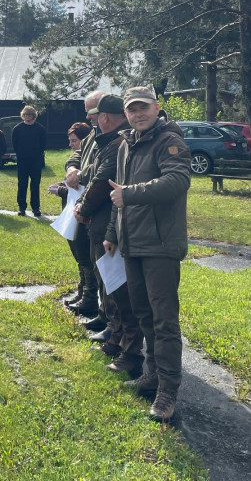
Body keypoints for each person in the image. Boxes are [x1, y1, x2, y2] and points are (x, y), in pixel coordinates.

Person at [105, 86, 191, 421]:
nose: (138, 114)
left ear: (157, 107)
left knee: (164, 320)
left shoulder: (169, 140)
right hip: (132, 245)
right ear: (126, 113)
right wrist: (112, 233)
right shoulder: (127, 143)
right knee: (143, 314)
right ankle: (152, 375)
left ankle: (168, 391)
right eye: (132, 109)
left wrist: (130, 194)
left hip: (160, 246)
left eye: (143, 107)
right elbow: (117, 194)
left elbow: (177, 181)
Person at [74, 94, 143, 378]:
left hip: (110, 224)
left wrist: (84, 207)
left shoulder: (117, 143)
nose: (92, 120)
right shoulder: (112, 141)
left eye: (95, 115)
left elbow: (102, 181)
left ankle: (128, 347)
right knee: (110, 286)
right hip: (107, 223)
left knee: (119, 289)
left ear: (104, 117)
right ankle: (116, 336)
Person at [63, 90, 105, 317]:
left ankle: (101, 310)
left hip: (97, 206)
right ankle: (89, 297)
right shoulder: (94, 134)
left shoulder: (113, 137)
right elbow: (77, 156)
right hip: (84, 202)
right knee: (83, 251)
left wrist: (78, 175)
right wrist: (72, 168)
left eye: (92, 111)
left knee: (99, 261)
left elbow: (101, 168)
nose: (88, 117)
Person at [51, 122, 98, 315]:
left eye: (74, 141)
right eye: (69, 141)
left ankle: (89, 296)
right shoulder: (78, 159)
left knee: (85, 257)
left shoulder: (92, 159)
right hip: (72, 215)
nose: (71, 144)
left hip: (83, 216)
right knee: (79, 258)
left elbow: (82, 190)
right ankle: (82, 292)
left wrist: (61, 190)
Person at [12, 105, 46, 216]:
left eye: (30, 115)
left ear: (33, 116)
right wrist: (21, 155)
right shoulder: (17, 129)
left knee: (35, 184)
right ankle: (21, 207)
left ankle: (35, 208)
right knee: (22, 184)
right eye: (26, 114)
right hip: (22, 161)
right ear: (23, 115)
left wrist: (38, 155)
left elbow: (43, 144)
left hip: (36, 161)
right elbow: (15, 144)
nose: (27, 117)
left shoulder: (40, 129)